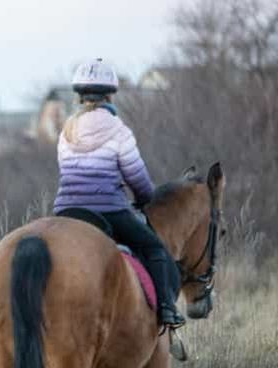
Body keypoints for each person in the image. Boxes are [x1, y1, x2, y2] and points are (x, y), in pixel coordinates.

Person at [53, 59, 185, 329]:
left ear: (79, 96)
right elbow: (137, 177)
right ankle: (166, 309)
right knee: (154, 248)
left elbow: (66, 172)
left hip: (66, 212)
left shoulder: (67, 131)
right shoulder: (119, 130)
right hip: (109, 212)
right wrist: (144, 196)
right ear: (110, 95)